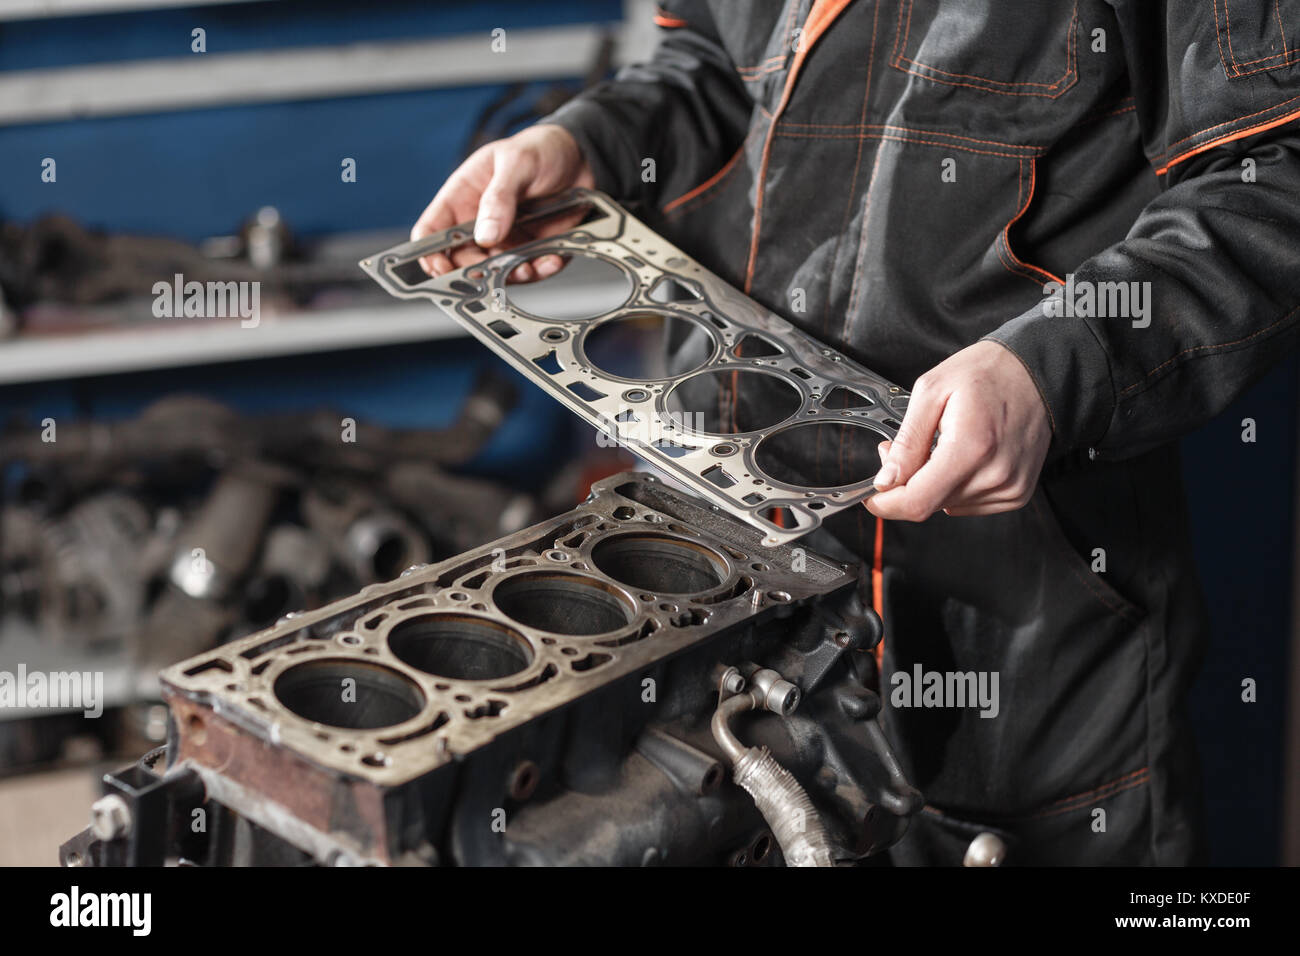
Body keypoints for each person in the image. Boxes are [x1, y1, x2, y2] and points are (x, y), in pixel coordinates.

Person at [413, 1, 1300, 864]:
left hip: (1024, 618)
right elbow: (715, 70)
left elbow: (1272, 180)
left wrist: (1060, 366)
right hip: (720, 569)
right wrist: (592, 141)